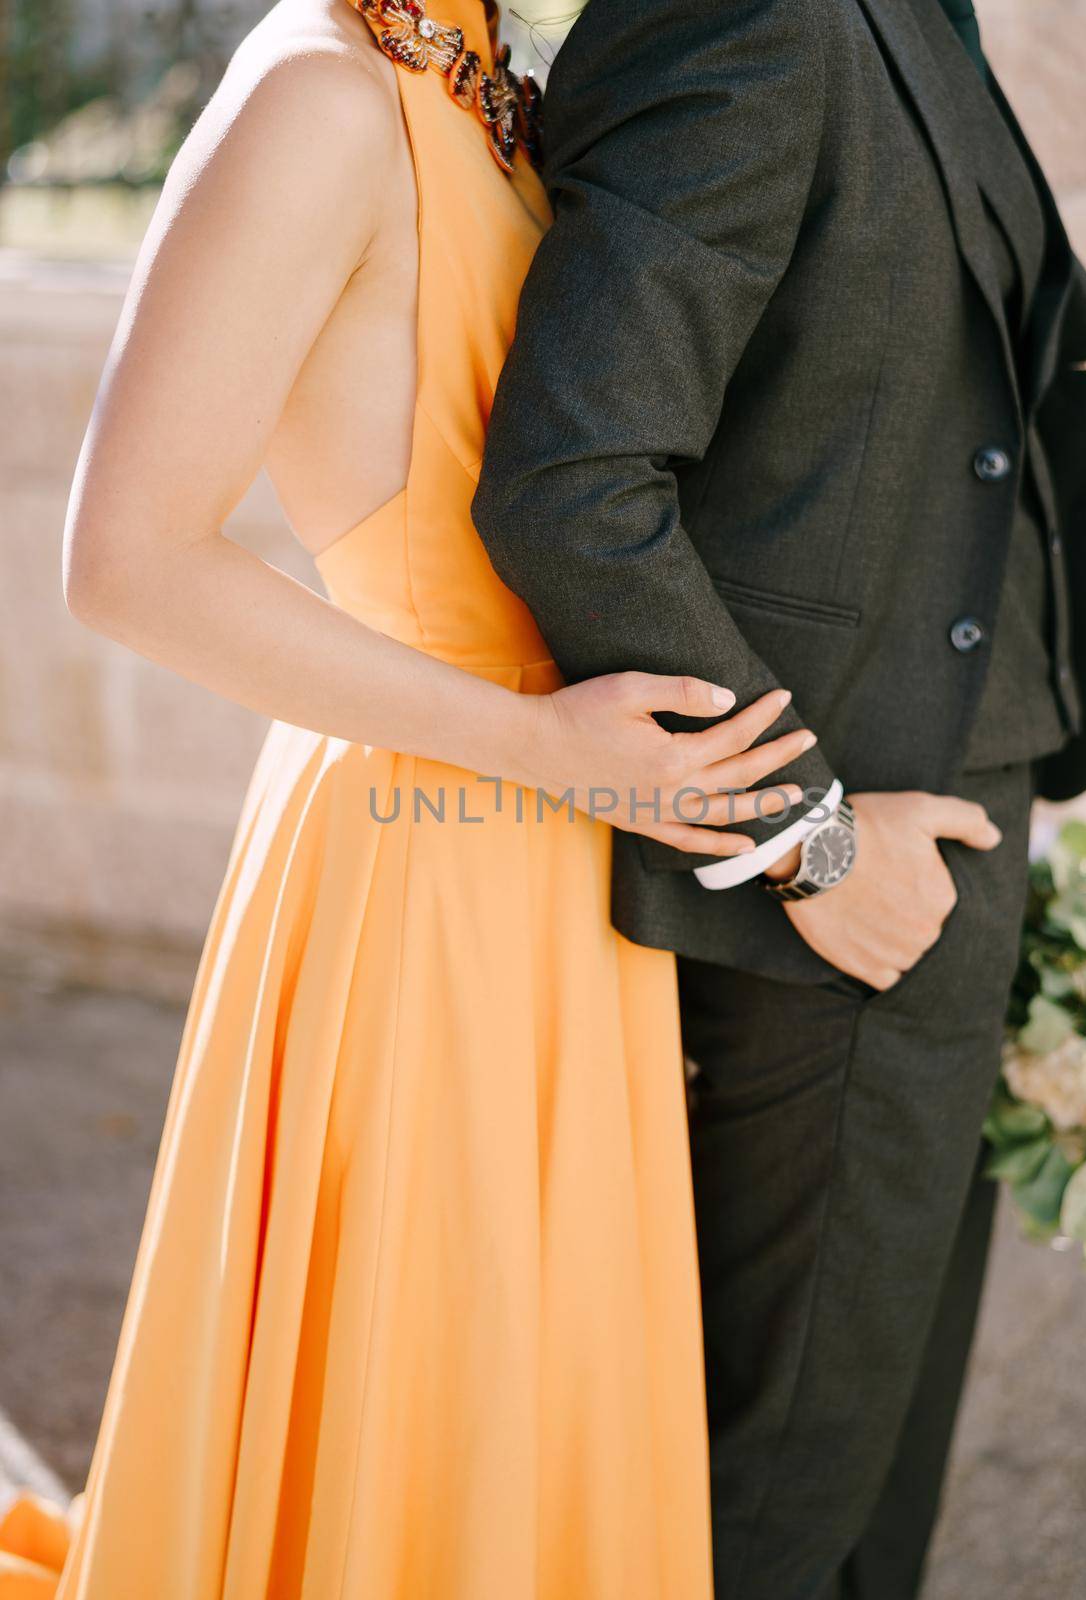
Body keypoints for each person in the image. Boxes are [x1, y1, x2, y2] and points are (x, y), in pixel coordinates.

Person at [0, 0, 823, 1593]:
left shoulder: (497, 90)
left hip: (565, 836)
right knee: (431, 1380)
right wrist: (543, 755)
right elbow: (126, 562)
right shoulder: (320, 92)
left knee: (531, 1379)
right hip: (427, 852)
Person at [473, 0, 1086, 1596]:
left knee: (876, 1438)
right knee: (776, 1478)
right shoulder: (743, 11)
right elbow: (575, 484)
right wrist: (813, 842)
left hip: (951, 809)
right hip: (829, 877)